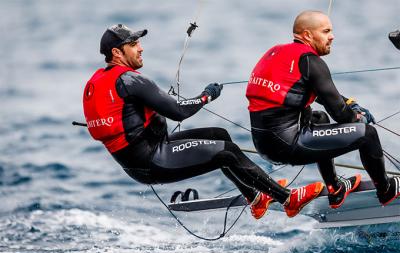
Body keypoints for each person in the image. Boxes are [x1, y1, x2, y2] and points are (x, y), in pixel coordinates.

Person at [82, 23, 324, 220]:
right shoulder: (130, 81)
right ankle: (288, 199)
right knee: (226, 152)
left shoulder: (101, 81)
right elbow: (178, 111)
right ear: (117, 52)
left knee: (219, 135)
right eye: (133, 45)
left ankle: (255, 197)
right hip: (152, 158)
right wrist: (206, 95)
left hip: (140, 158)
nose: (141, 49)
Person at [246, 11, 400, 209]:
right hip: (290, 146)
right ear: (308, 35)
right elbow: (341, 114)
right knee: (367, 134)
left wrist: (350, 103)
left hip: (264, 145)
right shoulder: (312, 62)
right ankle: (386, 191)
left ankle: (335, 189)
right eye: (326, 31)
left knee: (320, 118)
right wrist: (357, 117)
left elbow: (304, 91)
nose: (332, 36)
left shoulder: (277, 52)